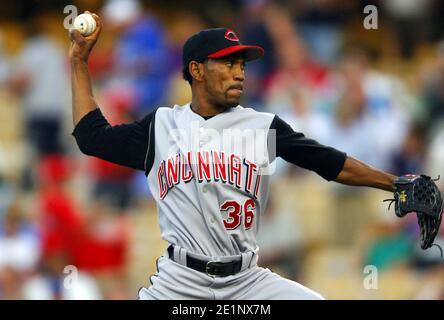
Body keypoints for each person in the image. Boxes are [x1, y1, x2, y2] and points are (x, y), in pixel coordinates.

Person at [69, 13, 399, 300]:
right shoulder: (162, 127)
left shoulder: (260, 128)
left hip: (246, 281)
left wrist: (397, 184)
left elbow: (329, 163)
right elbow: (90, 136)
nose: (239, 72)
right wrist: (80, 62)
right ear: (197, 70)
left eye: (241, 63)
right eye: (227, 63)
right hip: (180, 283)